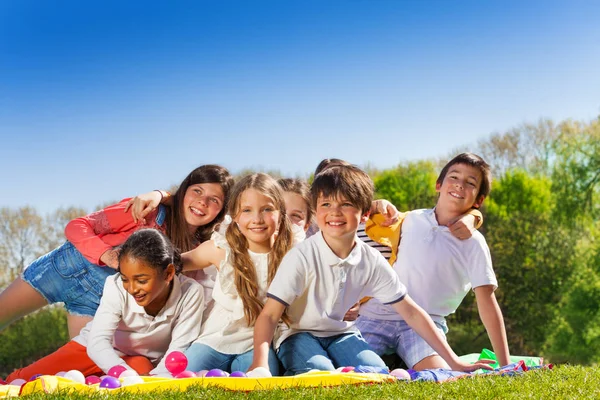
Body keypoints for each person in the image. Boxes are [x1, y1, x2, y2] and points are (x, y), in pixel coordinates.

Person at [250, 164, 493, 375]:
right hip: (297, 334)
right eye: (326, 204)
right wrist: (260, 365)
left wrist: (454, 361)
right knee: (322, 373)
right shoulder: (301, 256)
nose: (335, 212)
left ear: (365, 213)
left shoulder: (370, 260)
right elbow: (270, 315)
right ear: (316, 211)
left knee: (375, 373)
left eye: (346, 204)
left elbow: (412, 312)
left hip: (342, 334)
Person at [0, 165, 232, 338]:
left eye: (214, 200)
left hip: (94, 302)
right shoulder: (147, 211)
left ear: (221, 210)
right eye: (197, 191)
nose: (202, 202)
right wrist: (106, 254)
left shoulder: (196, 250)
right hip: (60, 270)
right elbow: (76, 226)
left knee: (83, 373)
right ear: (183, 191)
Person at [357, 153, 510, 370]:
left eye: (470, 183)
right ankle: (393, 368)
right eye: (454, 178)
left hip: (426, 325)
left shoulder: (473, 242)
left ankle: (399, 370)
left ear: (479, 200)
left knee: (441, 376)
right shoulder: (410, 219)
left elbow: (487, 302)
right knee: (346, 371)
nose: (459, 185)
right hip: (375, 315)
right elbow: (365, 215)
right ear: (439, 184)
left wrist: (506, 365)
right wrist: (376, 203)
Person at [6, 229, 204, 380]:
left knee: (143, 374)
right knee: (25, 380)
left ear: (168, 273)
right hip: (91, 349)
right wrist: (123, 374)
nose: (132, 288)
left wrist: (157, 381)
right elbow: (98, 342)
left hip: (137, 360)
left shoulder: (191, 293)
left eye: (141, 280)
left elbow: (179, 348)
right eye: (126, 278)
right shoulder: (115, 285)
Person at [179, 173, 295, 374]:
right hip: (215, 339)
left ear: (280, 213)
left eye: (267, 209)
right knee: (180, 382)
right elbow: (171, 264)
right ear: (235, 216)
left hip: (258, 345)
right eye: (247, 210)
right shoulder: (221, 250)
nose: (257, 219)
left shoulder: (293, 255)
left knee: (262, 385)